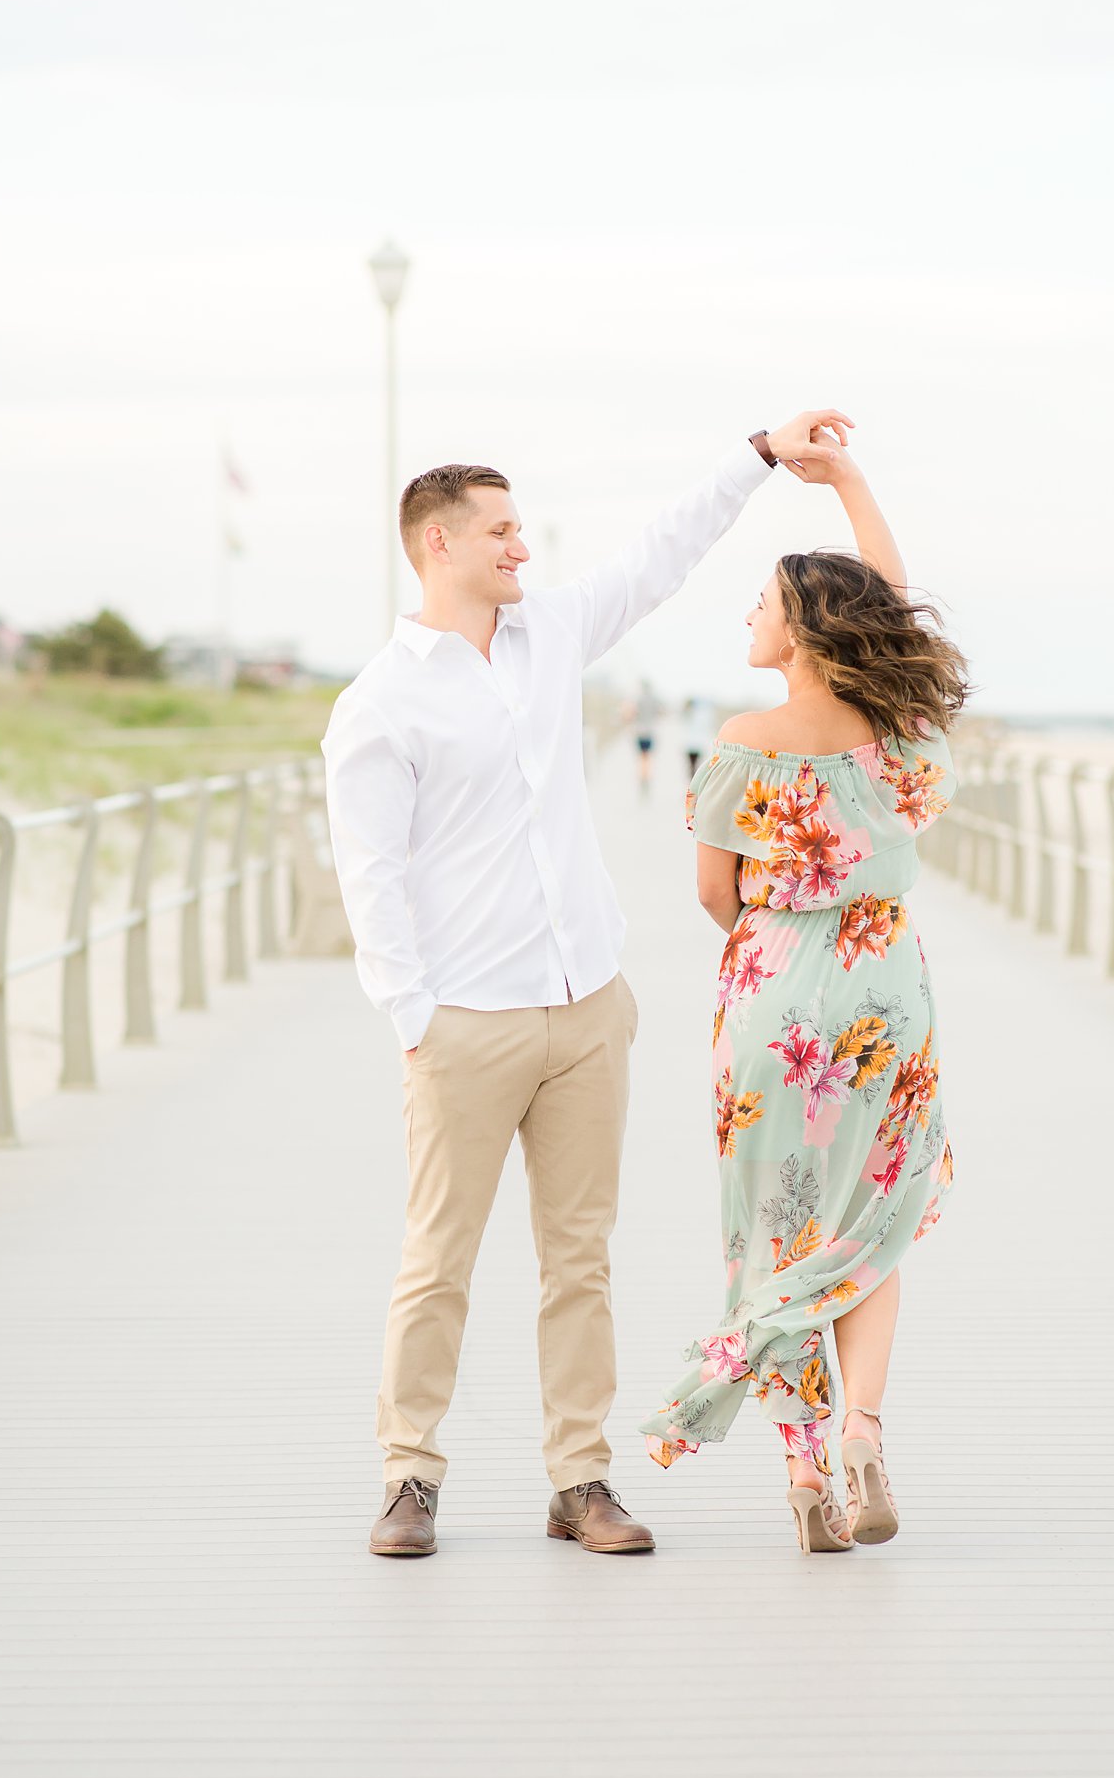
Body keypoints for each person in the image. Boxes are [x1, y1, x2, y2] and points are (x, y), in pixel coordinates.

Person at [321, 411, 854, 1560]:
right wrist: (412, 1016)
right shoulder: (379, 702)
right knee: (437, 1260)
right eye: (500, 532)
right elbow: (368, 876)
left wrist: (757, 452)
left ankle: (580, 1481)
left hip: (584, 1007)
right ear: (436, 546)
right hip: (462, 1018)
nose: (522, 548)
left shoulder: (550, 635)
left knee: (580, 1259)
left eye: (521, 528)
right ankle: (409, 1475)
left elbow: (660, 554)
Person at [639, 437, 969, 1554]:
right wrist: (852, 490)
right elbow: (899, 618)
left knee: (777, 1235)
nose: (746, 618)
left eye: (762, 605)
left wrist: (778, 954)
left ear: (802, 631)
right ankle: (865, 1434)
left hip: (775, 994)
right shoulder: (901, 734)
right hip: (884, 984)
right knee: (868, 1231)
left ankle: (804, 1479)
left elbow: (711, 894)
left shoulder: (741, 744)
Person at [631, 681, 664, 792]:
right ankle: (647, 777)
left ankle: (642, 776)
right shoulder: (654, 700)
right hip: (650, 732)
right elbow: (660, 712)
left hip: (640, 732)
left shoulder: (638, 700)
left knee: (641, 757)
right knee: (648, 757)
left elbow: (633, 713)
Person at [680, 693, 715, 781]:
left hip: (690, 745)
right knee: (697, 765)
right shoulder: (702, 716)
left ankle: (691, 782)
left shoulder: (688, 714)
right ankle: (694, 781)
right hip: (698, 744)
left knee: (692, 764)